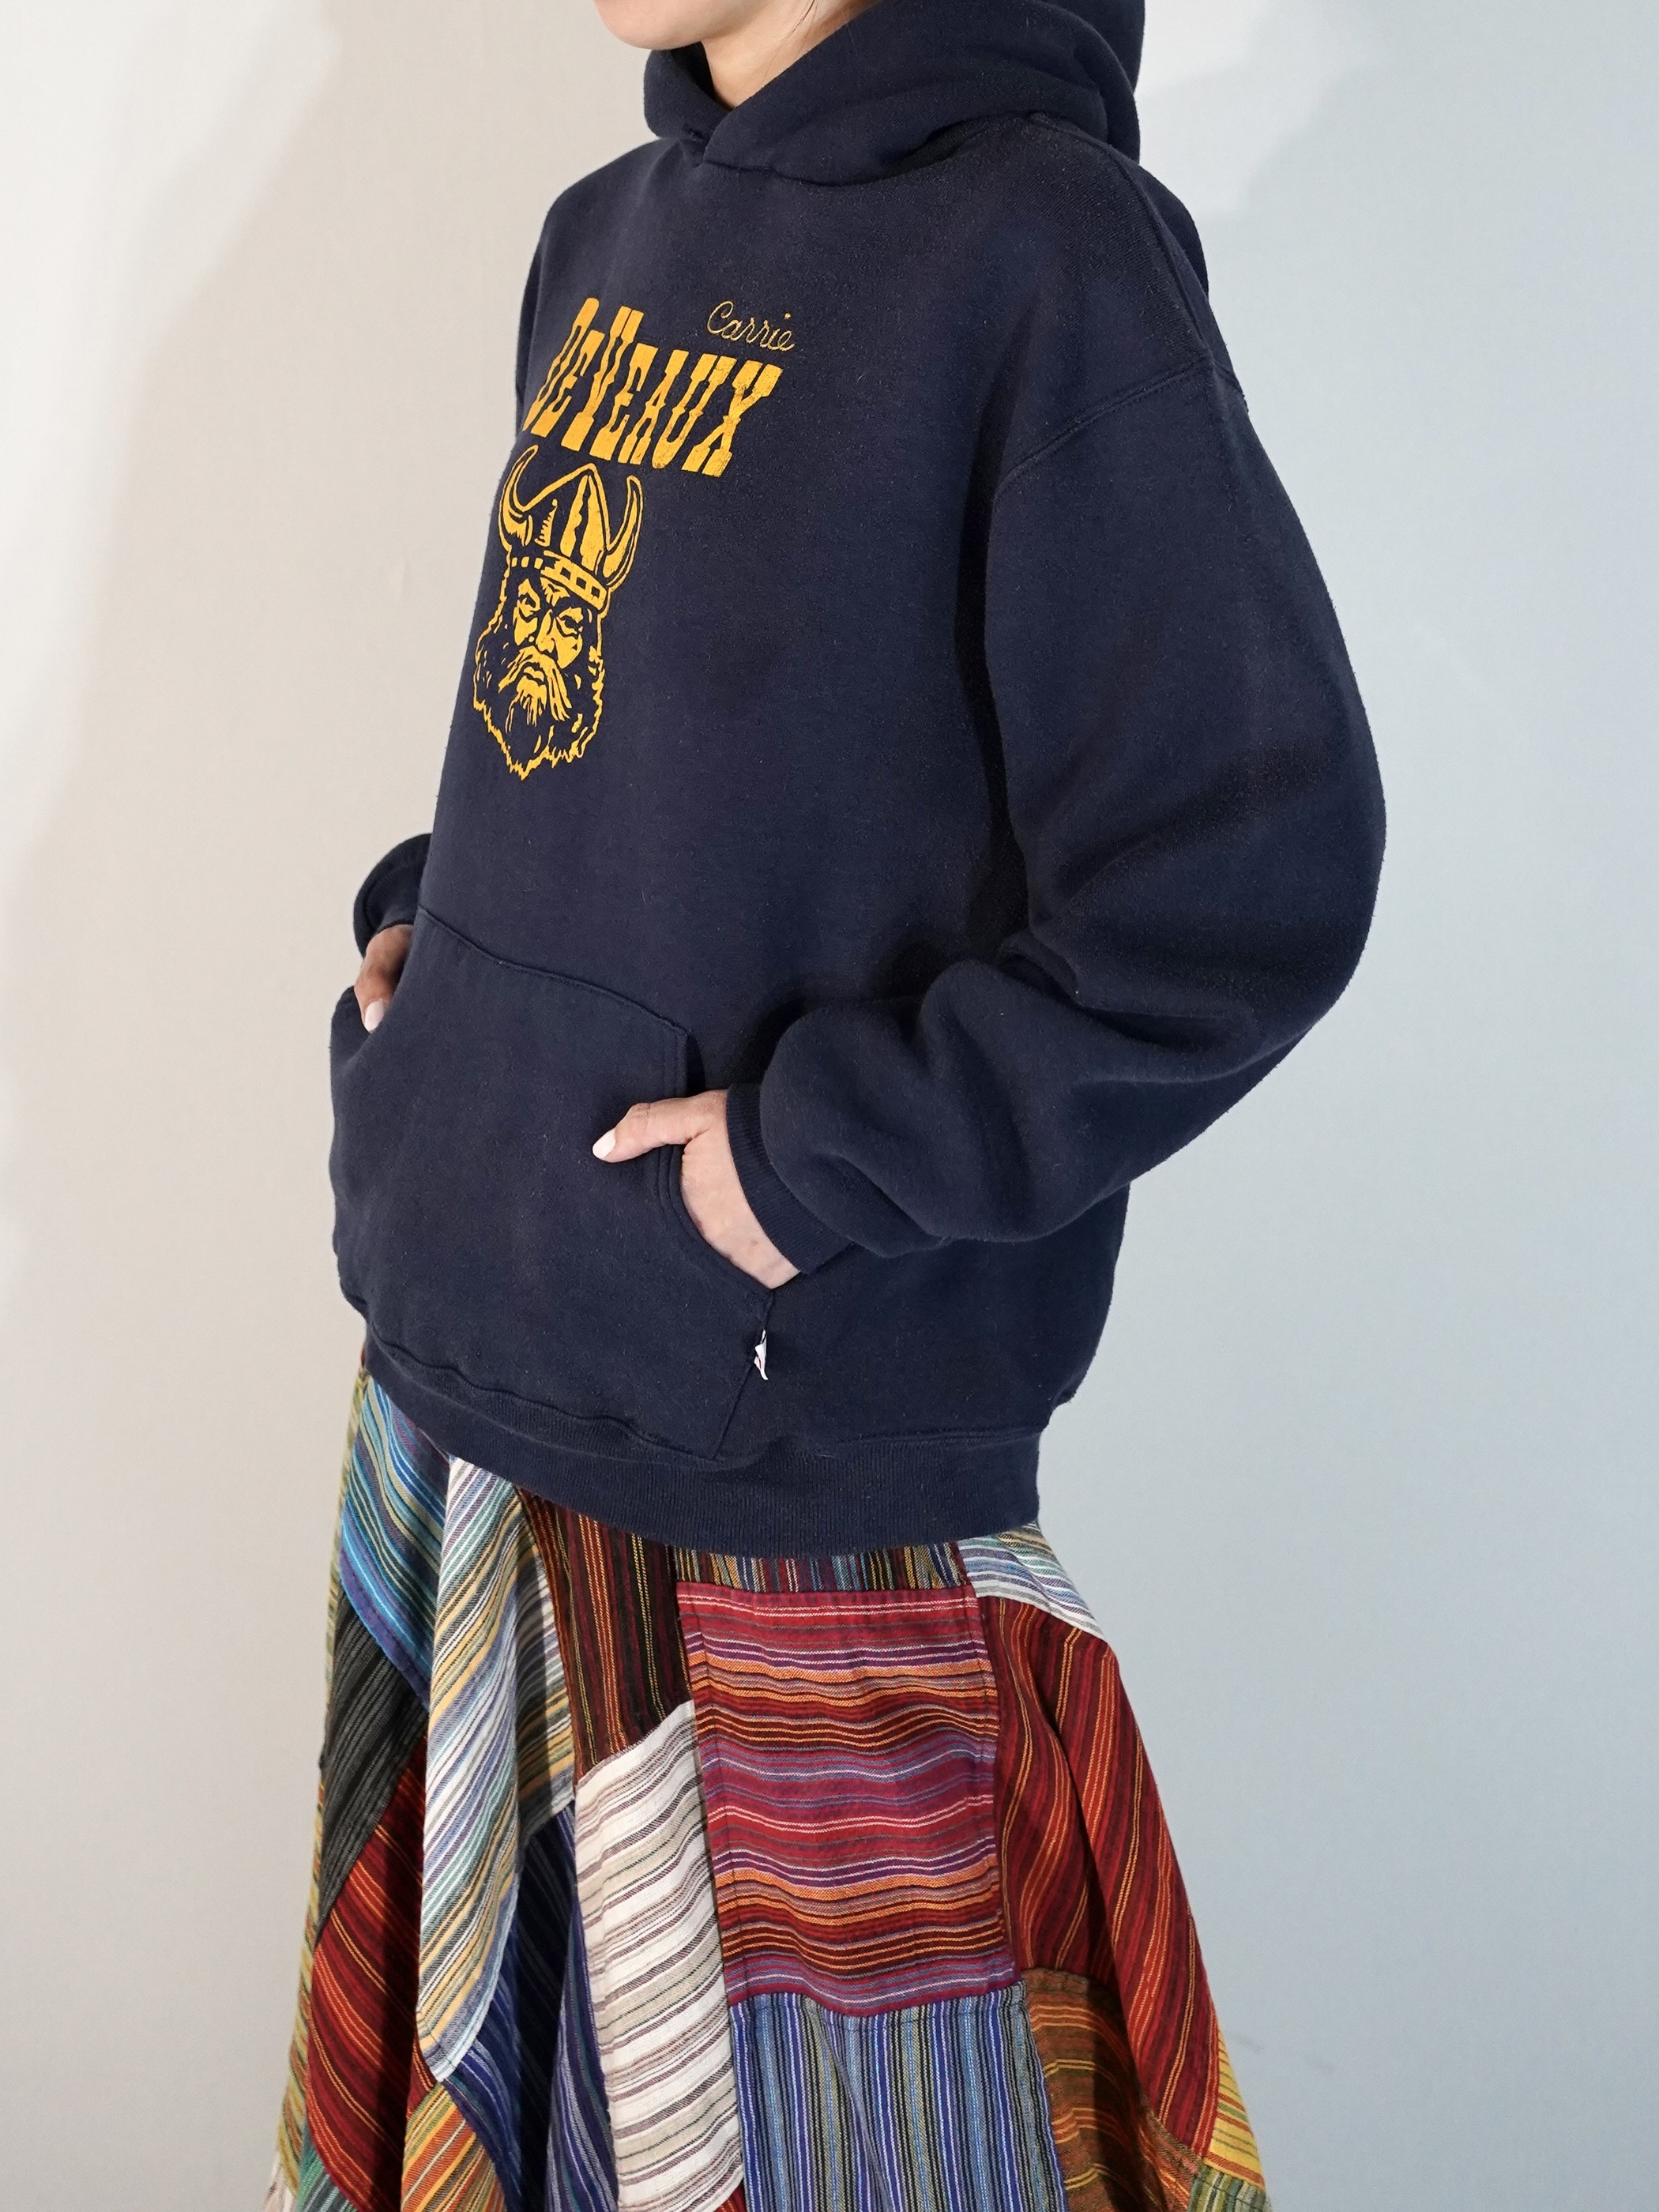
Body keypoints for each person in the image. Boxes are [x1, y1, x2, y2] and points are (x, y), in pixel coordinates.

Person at [268, 1, 1384, 2206]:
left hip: (782, 1511)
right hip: (465, 1425)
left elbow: (1241, 873)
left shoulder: (1042, 258)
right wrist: (440, 943)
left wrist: (802, 1169)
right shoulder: (605, 238)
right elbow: (626, 751)